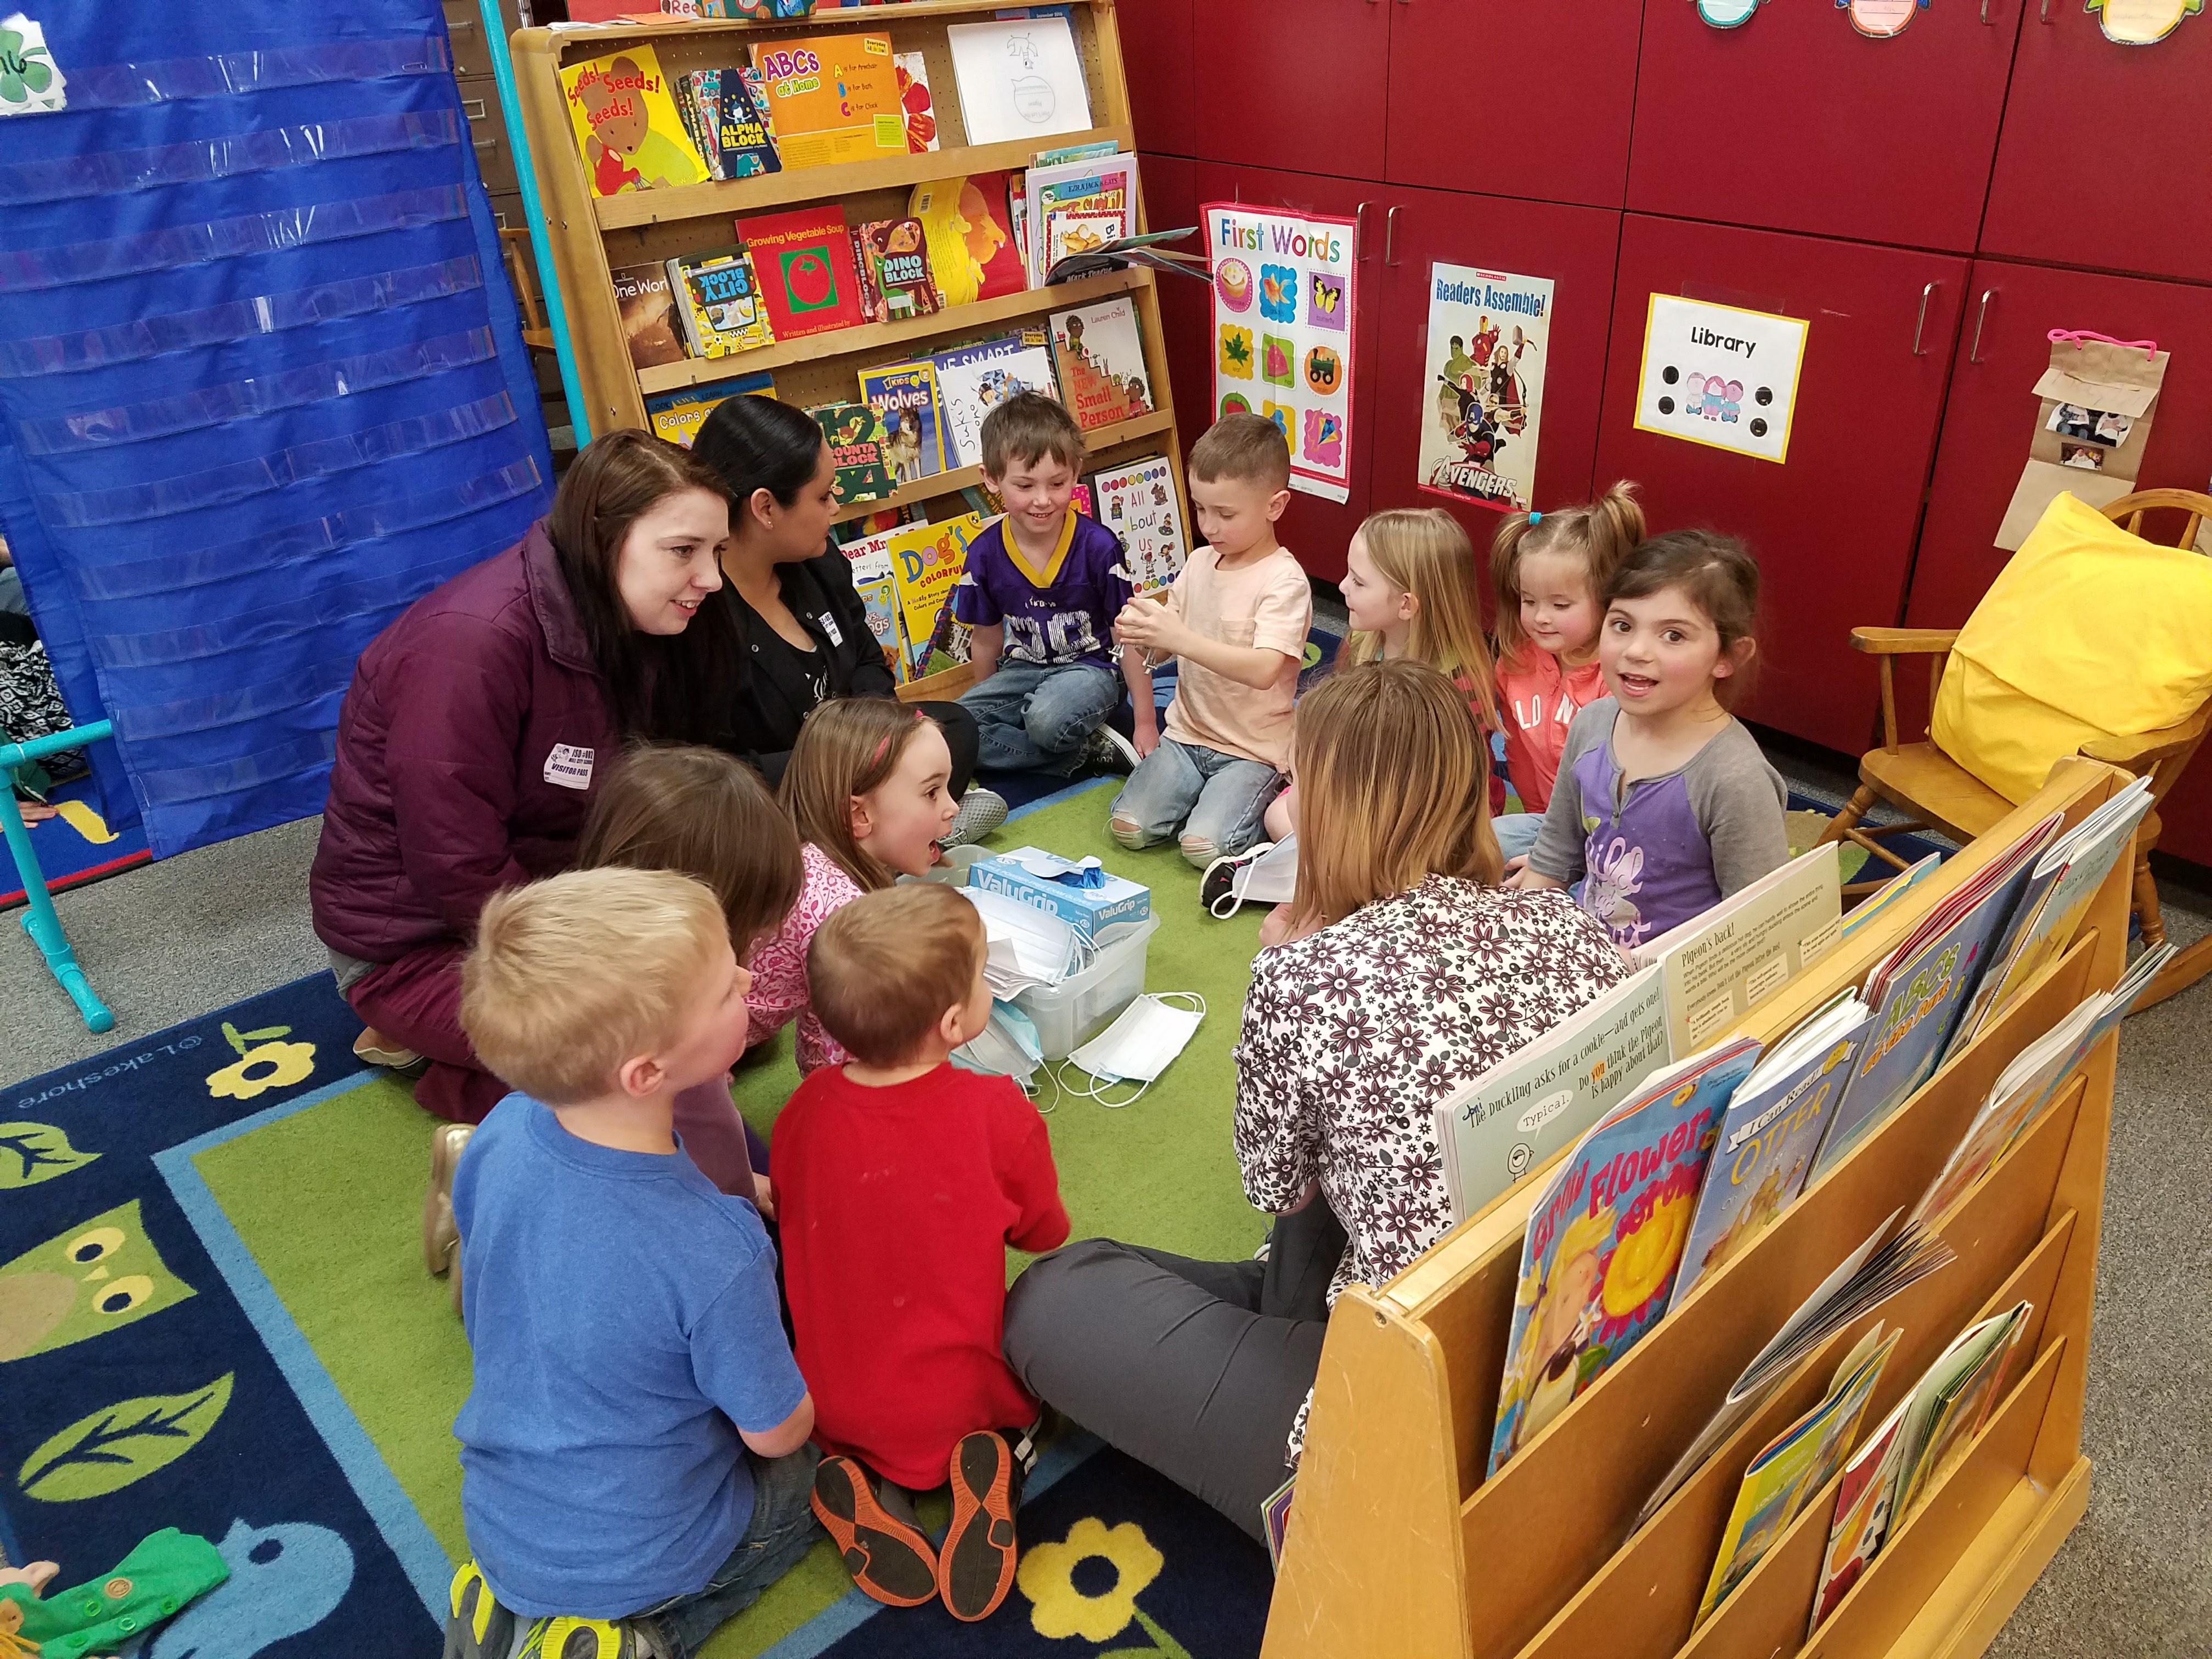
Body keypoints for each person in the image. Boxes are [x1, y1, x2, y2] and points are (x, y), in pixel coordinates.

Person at [1002, 661, 1628, 1541]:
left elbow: (1278, 1188)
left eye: (1299, 782)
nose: (1287, 802)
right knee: (1318, 1185)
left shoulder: (1305, 973)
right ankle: (1272, 1323)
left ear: (1334, 805)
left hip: (1403, 1417)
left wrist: (1286, 966)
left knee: (1053, 1297)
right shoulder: (1566, 923)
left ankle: (1264, 1348)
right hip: (1569, 1331)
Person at [312, 430, 747, 1124]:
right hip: (420, 941)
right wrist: (604, 962)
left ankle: (441, 1043)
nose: (712, 578)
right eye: (683, 551)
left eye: (716, 551)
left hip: (559, 893)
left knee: (725, 1024)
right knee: (634, 1064)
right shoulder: (470, 647)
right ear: (603, 538)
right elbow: (456, 867)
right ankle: (451, 1074)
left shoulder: (636, 618)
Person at [443, 866, 818, 1659]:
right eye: (725, 991)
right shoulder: (714, 1244)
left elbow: (491, 1295)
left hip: (503, 1524)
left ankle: (506, 1612)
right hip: (644, 1552)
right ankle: (634, 1636)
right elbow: (776, 1436)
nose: (751, 977)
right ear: (646, 1074)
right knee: (816, 1473)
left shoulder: (501, 1132)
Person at [777, 884, 1068, 1620]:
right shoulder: (997, 1109)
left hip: (831, 1400)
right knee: (1049, 1380)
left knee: (856, 1381)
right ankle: (998, 1461)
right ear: (953, 1023)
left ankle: (866, 1482)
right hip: (966, 1397)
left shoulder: (801, 1113)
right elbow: (1045, 1235)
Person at [423, 743, 804, 1304]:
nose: (754, 970)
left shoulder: (580, 991)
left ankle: (474, 1190)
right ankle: (483, 1237)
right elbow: (727, 1214)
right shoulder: (678, 1081)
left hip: (545, 1149)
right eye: (738, 953)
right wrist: (750, 1202)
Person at [690, 393, 1004, 844]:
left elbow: (867, 661)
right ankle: (904, 836)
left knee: (952, 727)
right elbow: (719, 769)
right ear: (765, 508)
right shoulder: (701, 612)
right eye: (822, 496)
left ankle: (894, 834)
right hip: (776, 790)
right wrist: (836, 765)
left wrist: (878, 743)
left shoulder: (818, 563)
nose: (836, 508)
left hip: (861, 758)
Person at [1214, 508, 1506, 937]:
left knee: (1384, 852)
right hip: (1362, 787)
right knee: (1283, 814)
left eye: (1360, 581)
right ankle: (1324, 883)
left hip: (1430, 808)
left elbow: (1450, 790)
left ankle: (1315, 888)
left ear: (1407, 604)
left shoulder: (1458, 685)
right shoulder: (1364, 641)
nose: (1343, 587)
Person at [1513, 529, 1790, 949]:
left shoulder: (1735, 780)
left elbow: (1757, 935)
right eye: (1622, 625)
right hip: (1584, 952)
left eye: (1674, 635)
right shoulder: (1592, 724)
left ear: (1727, 658)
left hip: (1670, 989)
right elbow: (1554, 855)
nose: (1637, 650)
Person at [575, 743, 804, 1200]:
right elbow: (723, 1176)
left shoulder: (591, 955)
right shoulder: (671, 1041)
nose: (750, 978)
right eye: (751, 932)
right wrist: (749, 1197)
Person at [1109, 413, 1311, 867]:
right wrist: (1143, 634)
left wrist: (1178, 637)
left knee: (1205, 849)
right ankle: (1203, 798)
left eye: (1226, 514)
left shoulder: (1284, 580)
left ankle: (1265, 796)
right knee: (1129, 827)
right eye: (1200, 509)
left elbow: (1264, 671)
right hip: (1186, 735)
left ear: (1275, 506)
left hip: (1251, 750)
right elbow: (1165, 648)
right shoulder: (1200, 563)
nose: (1209, 526)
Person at [745, 698, 960, 1074]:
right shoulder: (838, 912)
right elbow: (830, 1060)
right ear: (860, 814)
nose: (953, 807)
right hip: (679, 1053)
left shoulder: (818, 856)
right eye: (931, 792)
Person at [953, 392, 1143, 777]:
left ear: (1076, 473)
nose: (1043, 500)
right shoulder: (984, 553)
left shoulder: (1098, 546)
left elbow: (1127, 635)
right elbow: (986, 639)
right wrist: (983, 713)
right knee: (949, 731)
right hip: (1021, 672)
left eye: (1057, 483)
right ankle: (1084, 751)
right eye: (1024, 487)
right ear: (991, 480)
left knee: (1044, 720)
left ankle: (1051, 734)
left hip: (1092, 672)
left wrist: (1146, 721)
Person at [1488, 482, 1647, 866]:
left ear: (1608, 597)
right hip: (1541, 819)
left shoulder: (1618, 682)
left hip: (1608, 837)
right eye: (1529, 601)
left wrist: (1561, 858)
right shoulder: (1515, 662)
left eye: (1560, 604)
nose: (1541, 617)